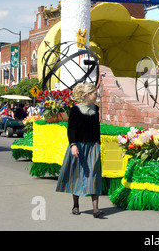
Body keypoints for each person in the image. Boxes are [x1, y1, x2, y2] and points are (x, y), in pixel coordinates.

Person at [56, 83, 104, 218]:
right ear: (88, 94)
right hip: (79, 146)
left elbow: (96, 128)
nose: (97, 95)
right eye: (95, 93)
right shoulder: (75, 110)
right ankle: (76, 205)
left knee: (94, 175)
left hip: (93, 146)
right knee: (77, 175)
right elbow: (71, 129)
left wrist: (97, 144)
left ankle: (95, 209)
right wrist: (73, 145)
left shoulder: (96, 108)